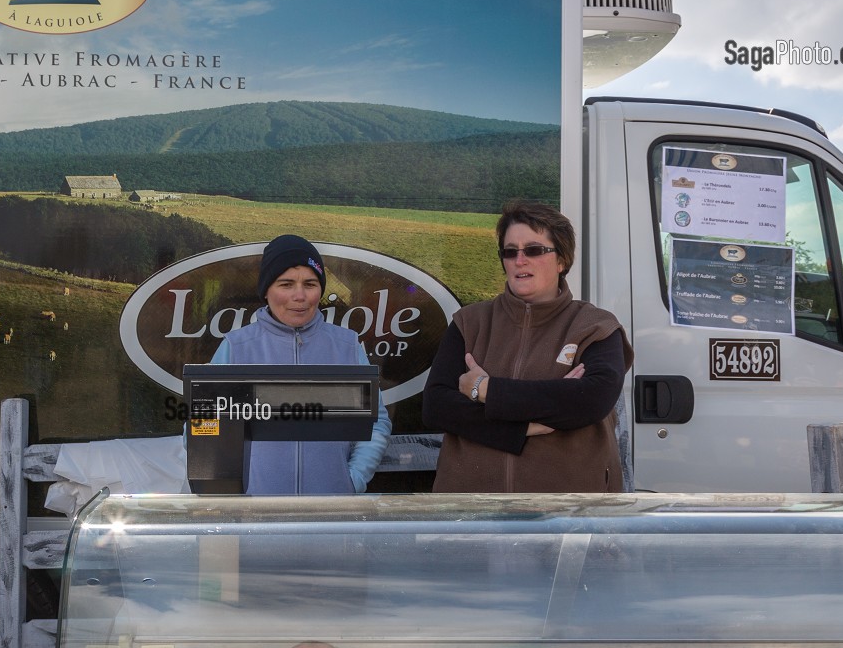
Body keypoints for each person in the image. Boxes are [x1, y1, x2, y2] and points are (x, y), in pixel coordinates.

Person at [422, 202, 632, 492]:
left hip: (568, 514)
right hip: (470, 511)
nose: (520, 260)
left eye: (534, 250)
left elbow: (590, 400)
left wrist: (484, 389)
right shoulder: (470, 322)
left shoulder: (595, 326)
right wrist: (520, 429)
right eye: (510, 252)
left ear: (562, 261)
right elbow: (437, 407)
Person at [211, 234, 391, 494]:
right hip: (255, 514)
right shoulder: (237, 347)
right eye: (285, 284)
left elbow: (375, 422)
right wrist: (235, 491)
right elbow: (204, 424)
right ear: (266, 290)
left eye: (310, 283)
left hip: (330, 512)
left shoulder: (347, 346)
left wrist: (353, 479)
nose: (299, 296)